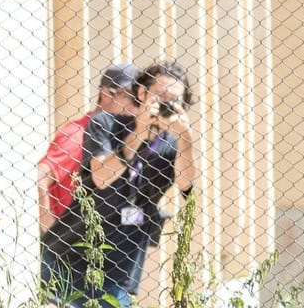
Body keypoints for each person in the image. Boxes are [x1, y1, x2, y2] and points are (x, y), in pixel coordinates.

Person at [79, 61, 197, 306]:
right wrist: (140, 133)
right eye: (160, 96)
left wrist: (186, 138)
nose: (165, 105)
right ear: (141, 93)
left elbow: (186, 187)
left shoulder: (174, 144)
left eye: (173, 101)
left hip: (125, 263)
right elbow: (101, 178)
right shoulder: (106, 124)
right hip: (78, 250)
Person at [37, 62, 141, 304]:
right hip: (72, 255)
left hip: (106, 255)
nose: (137, 107)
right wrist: (48, 221)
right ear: (108, 93)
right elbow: (43, 173)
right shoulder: (79, 133)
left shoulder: (127, 136)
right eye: (132, 98)